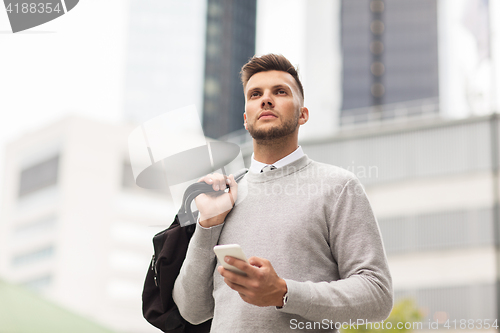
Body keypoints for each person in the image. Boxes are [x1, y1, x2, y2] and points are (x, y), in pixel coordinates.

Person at [172, 54, 393, 332]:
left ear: (303, 114)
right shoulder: (223, 196)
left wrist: (283, 293)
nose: (266, 99)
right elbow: (191, 311)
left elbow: (377, 294)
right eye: (255, 94)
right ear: (245, 119)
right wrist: (209, 224)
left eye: (280, 92)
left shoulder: (338, 187)